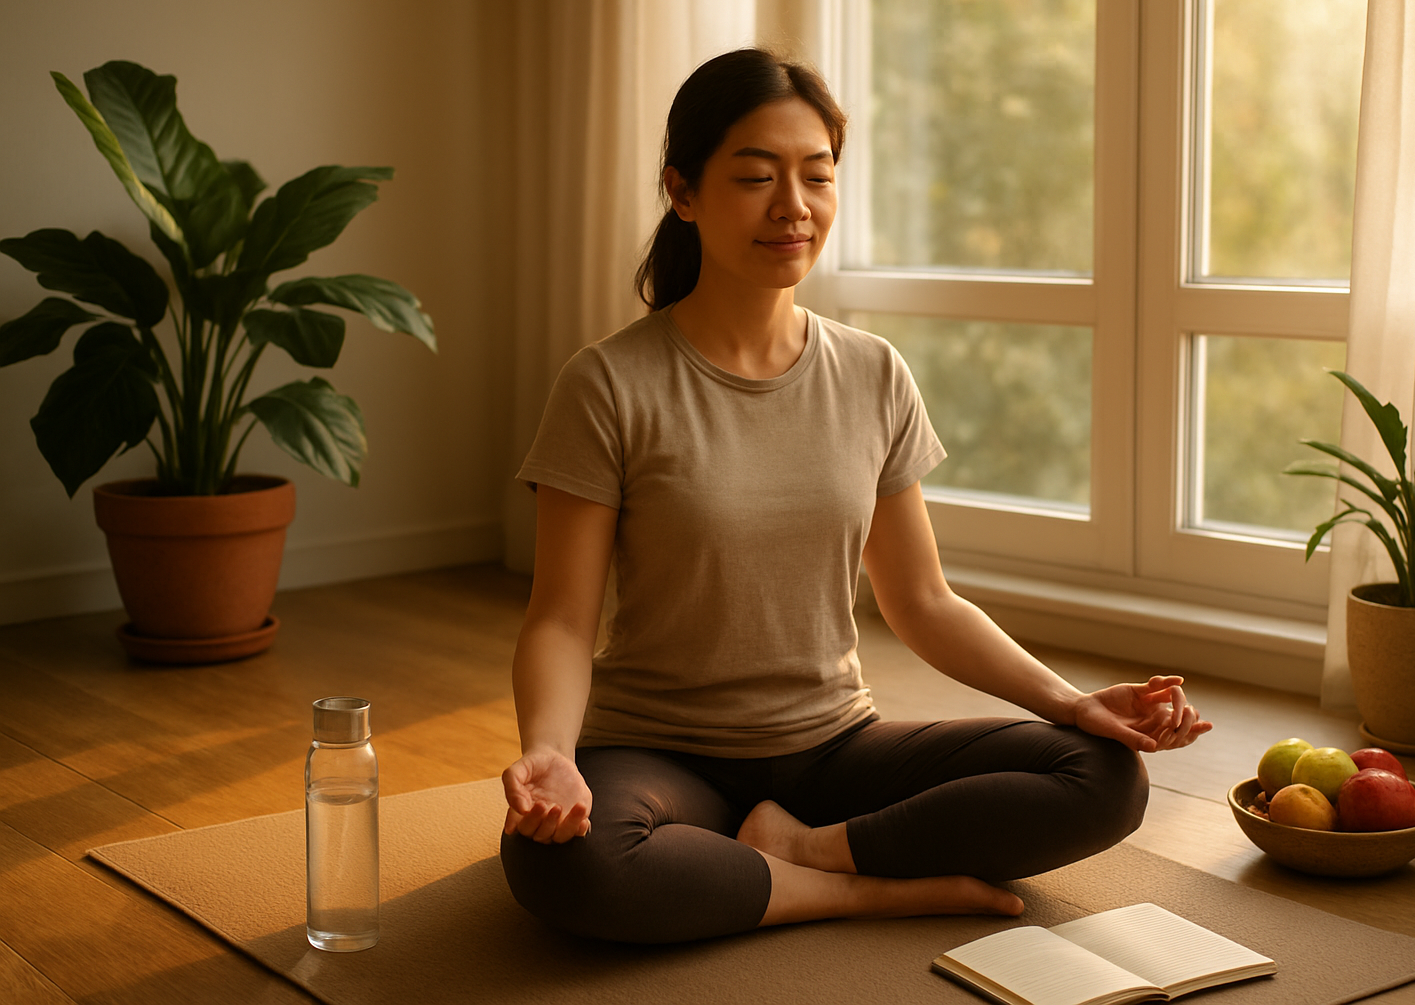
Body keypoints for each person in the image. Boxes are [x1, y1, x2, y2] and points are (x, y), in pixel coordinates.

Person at [500, 47, 1211, 945]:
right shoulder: (608, 384)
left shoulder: (872, 373)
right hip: (660, 751)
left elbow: (921, 600)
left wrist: (1071, 704)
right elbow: (561, 617)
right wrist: (552, 755)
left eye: (816, 176)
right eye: (756, 176)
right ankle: (861, 889)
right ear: (683, 193)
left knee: (1104, 776)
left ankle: (809, 850)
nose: (793, 206)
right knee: (561, 858)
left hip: (832, 745)